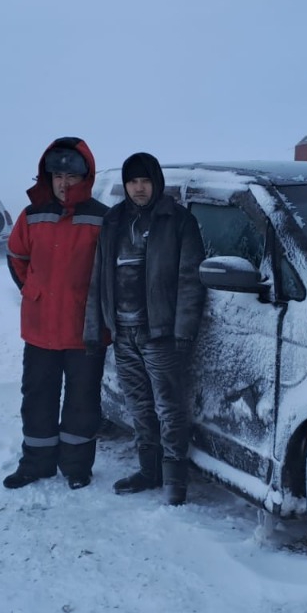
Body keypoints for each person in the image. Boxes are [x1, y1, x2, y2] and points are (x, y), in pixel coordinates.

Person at [84, 152, 206, 506]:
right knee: (138, 405)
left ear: (157, 182)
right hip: (123, 332)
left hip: (161, 334)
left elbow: (189, 280)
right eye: (132, 181)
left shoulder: (178, 221)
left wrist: (182, 332)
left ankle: (175, 481)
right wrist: (96, 329)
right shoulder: (113, 221)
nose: (139, 188)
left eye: (145, 181)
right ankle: (148, 470)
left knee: (169, 407)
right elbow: (99, 278)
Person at [3, 136, 109, 491]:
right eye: (57, 176)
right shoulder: (32, 216)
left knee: (82, 402)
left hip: (85, 332)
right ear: (48, 177)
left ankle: (77, 466)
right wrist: (34, 292)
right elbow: (17, 258)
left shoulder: (101, 219)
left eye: (71, 177)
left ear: (86, 178)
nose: (64, 184)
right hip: (40, 328)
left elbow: (111, 273)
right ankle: (36, 464)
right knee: (37, 398)